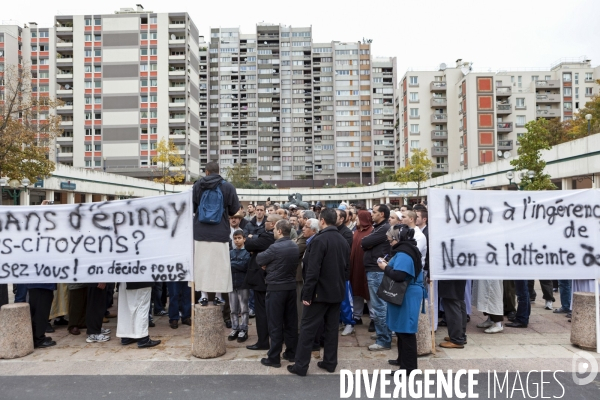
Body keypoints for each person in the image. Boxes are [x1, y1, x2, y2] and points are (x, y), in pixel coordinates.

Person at [288, 208, 350, 377]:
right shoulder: (342, 240)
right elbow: (346, 269)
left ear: (322, 221)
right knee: (331, 329)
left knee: (308, 329)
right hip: (336, 292)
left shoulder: (319, 240)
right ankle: (330, 362)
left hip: (319, 294)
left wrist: (307, 294)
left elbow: (312, 271)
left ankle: (301, 365)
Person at [377, 226, 425, 376]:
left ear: (398, 239)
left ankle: (409, 369)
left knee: (406, 331)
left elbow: (399, 275)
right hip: (405, 293)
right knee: (400, 329)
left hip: (407, 294)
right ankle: (402, 360)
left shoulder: (404, 253)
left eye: (390, 239)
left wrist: (384, 267)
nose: (389, 242)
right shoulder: (407, 249)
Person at [193, 162, 240, 306]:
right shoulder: (228, 186)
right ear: (218, 171)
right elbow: (233, 210)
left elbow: (193, 207)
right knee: (221, 266)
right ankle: (219, 295)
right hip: (220, 232)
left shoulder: (197, 185)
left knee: (201, 265)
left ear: (206, 172)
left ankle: (203, 295)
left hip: (201, 232)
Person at [256, 220, 299, 368]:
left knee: (275, 324)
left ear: (280, 231)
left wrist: (267, 265)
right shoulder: (294, 246)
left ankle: (274, 357)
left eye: (274, 229)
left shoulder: (275, 248)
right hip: (290, 288)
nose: (273, 231)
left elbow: (259, 258)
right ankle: (291, 352)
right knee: (290, 322)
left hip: (275, 288)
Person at [244, 214, 281, 351]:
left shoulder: (268, 237)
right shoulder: (268, 236)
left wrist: (250, 239)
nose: (265, 222)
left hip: (261, 280)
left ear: (273, 225)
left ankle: (263, 342)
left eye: (268, 221)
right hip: (269, 280)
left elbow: (247, 244)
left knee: (262, 313)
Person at [361, 204, 392, 351]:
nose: (371, 215)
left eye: (374, 212)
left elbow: (365, 242)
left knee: (379, 306)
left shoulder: (384, 228)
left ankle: (384, 339)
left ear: (382, 214)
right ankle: (383, 333)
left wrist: (367, 244)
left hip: (376, 271)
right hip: (374, 270)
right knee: (380, 305)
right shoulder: (379, 228)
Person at [117, 281, 161, 348]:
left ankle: (126, 336)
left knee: (126, 308)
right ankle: (143, 339)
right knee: (142, 307)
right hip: (140, 280)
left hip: (123, 280)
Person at [227, 229, 251, 343]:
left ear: (244, 239)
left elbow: (245, 266)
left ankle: (244, 329)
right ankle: (235, 328)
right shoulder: (230, 252)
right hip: (231, 283)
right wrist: (236, 265)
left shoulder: (247, 252)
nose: (237, 240)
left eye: (239, 238)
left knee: (244, 308)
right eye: (235, 238)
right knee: (233, 309)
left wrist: (232, 264)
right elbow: (226, 266)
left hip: (243, 284)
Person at [349, 210, 373, 325]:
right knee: (356, 291)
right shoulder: (357, 232)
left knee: (369, 293)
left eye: (358, 218)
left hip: (366, 268)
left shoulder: (372, 232)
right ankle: (357, 316)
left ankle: (374, 318)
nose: (356, 220)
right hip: (355, 267)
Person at [295, 218, 319, 328]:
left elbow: (296, 248)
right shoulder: (308, 240)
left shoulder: (315, 242)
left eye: (306, 227)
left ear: (314, 230)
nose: (303, 229)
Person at [336, 208, 355, 336]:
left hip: (343, 271)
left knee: (345, 300)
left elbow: (343, 251)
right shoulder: (333, 230)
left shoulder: (347, 233)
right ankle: (339, 321)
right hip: (333, 271)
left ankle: (349, 323)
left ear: (342, 219)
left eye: (336, 216)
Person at [438, 278, 467, 348]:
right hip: (458, 276)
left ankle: (456, 338)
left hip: (450, 277)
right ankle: (460, 335)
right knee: (458, 302)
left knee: (452, 303)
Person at [27, 282, 57, 348]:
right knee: (41, 312)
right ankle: (39, 339)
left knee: (38, 311)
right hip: (41, 285)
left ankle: (37, 336)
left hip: (38, 285)